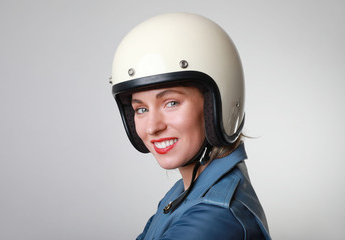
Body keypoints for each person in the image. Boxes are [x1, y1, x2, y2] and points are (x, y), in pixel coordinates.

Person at [110, 12, 271, 240]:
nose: (152, 127)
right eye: (141, 109)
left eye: (171, 103)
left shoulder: (214, 216)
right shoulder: (185, 193)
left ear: (216, 106)